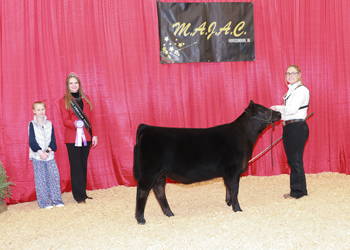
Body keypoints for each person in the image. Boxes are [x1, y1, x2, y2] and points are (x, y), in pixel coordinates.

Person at [270, 65, 310, 199]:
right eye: (287, 73)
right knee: (293, 160)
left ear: (299, 74)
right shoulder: (291, 91)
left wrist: (276, 108)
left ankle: (298, 192)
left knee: (295, 160)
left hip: (297, 127)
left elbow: (292, 109)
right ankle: (299, 189)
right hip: (289, 127)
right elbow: (289, 111)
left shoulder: (301, 90)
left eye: (293, 73)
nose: (290, 75)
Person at [59, 72, 98, 204]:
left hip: (86, 137)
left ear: (79, 84)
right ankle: (78, 196)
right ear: (67, 86)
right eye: (71, 83)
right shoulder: (64, 100)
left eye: (76, 83)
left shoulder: (86, 99)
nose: (74, 85)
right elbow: (65, 120)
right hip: (72, 138)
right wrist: (76, 124)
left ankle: (83, 193)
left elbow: (91, 119)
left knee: (83, 164)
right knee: (76, 166)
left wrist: (94, 135)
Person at [29, 101, 65, 209]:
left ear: (45, 110)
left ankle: (57, 200)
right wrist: (40, 152)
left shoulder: (49, 124)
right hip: (37, 156)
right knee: (41, 179)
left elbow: (53, 141)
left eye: (42, 109)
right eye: (38, 110)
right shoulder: (32, 124)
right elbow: (32, 141)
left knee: (54, 177)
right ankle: (44, 202)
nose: (41, 111)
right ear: (34, 111)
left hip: (49, 156)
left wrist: (47, 152)